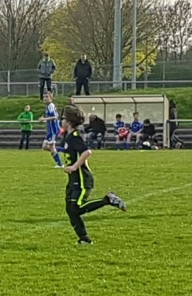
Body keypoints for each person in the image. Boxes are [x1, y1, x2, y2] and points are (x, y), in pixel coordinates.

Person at [59, 106, 127, 245]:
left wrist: (74, 166)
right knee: (70, 210)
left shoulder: (75, 137)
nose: (61, 121)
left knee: (76, 208)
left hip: (82, 180)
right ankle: (84, 239)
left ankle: (108, 200)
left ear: (69, 122)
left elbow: (87, 152)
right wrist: (52, 149)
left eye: (63, 119)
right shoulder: (68, 137)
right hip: (73, 180)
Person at [40, 92, 63, 167]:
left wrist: (44, 119)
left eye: (47, 97)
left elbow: (55, 117)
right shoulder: (48, 106)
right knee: (44, 147)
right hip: (50, 130)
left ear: (51, 98)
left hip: (53, 129)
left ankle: (59, 164)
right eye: (44, 97)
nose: (45, 98)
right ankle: (64, 150)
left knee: (51, 147)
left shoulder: (51, 105)